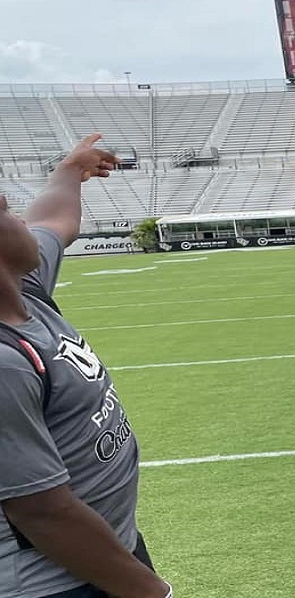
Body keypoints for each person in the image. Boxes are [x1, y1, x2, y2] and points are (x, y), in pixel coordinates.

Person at [0, 134, 173, 598]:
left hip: (106, 550)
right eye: (5, 212)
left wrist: (71, 170)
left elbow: (53, 218)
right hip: (58, 581)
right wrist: (149, 590)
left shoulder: (23, 289)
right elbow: (40, 511)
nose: (21, 218)